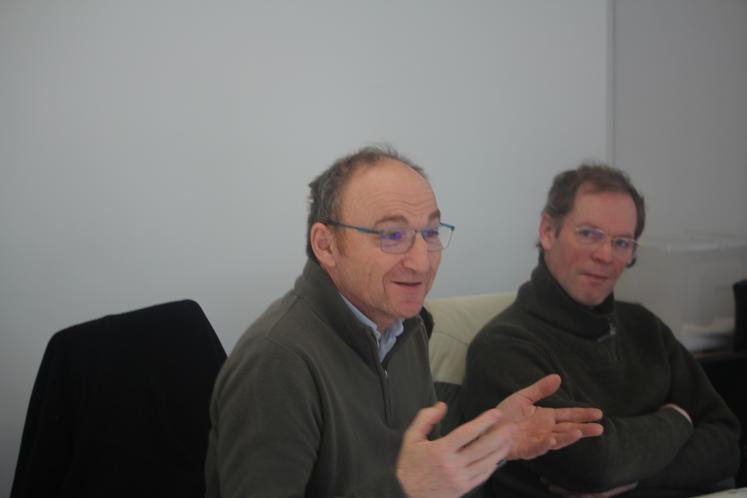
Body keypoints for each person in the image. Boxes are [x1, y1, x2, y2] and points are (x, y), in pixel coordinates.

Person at [204, 146, 604, 498]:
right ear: (326, 245)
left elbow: (423, 468)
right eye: (391, 235)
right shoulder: (276, 362)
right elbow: (412, 483)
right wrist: (406, 490)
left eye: (429, 232)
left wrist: (494, 442)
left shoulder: (402, 325)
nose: (421, 261)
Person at [460, 163, 741, 497]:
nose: (605, 255)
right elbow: (596, 466)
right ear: (548, 232)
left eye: (622, 242)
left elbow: (726, 444)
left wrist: (637, 475)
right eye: (589, 234)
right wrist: (678, 420)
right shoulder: (505, 347)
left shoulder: (645, 327)